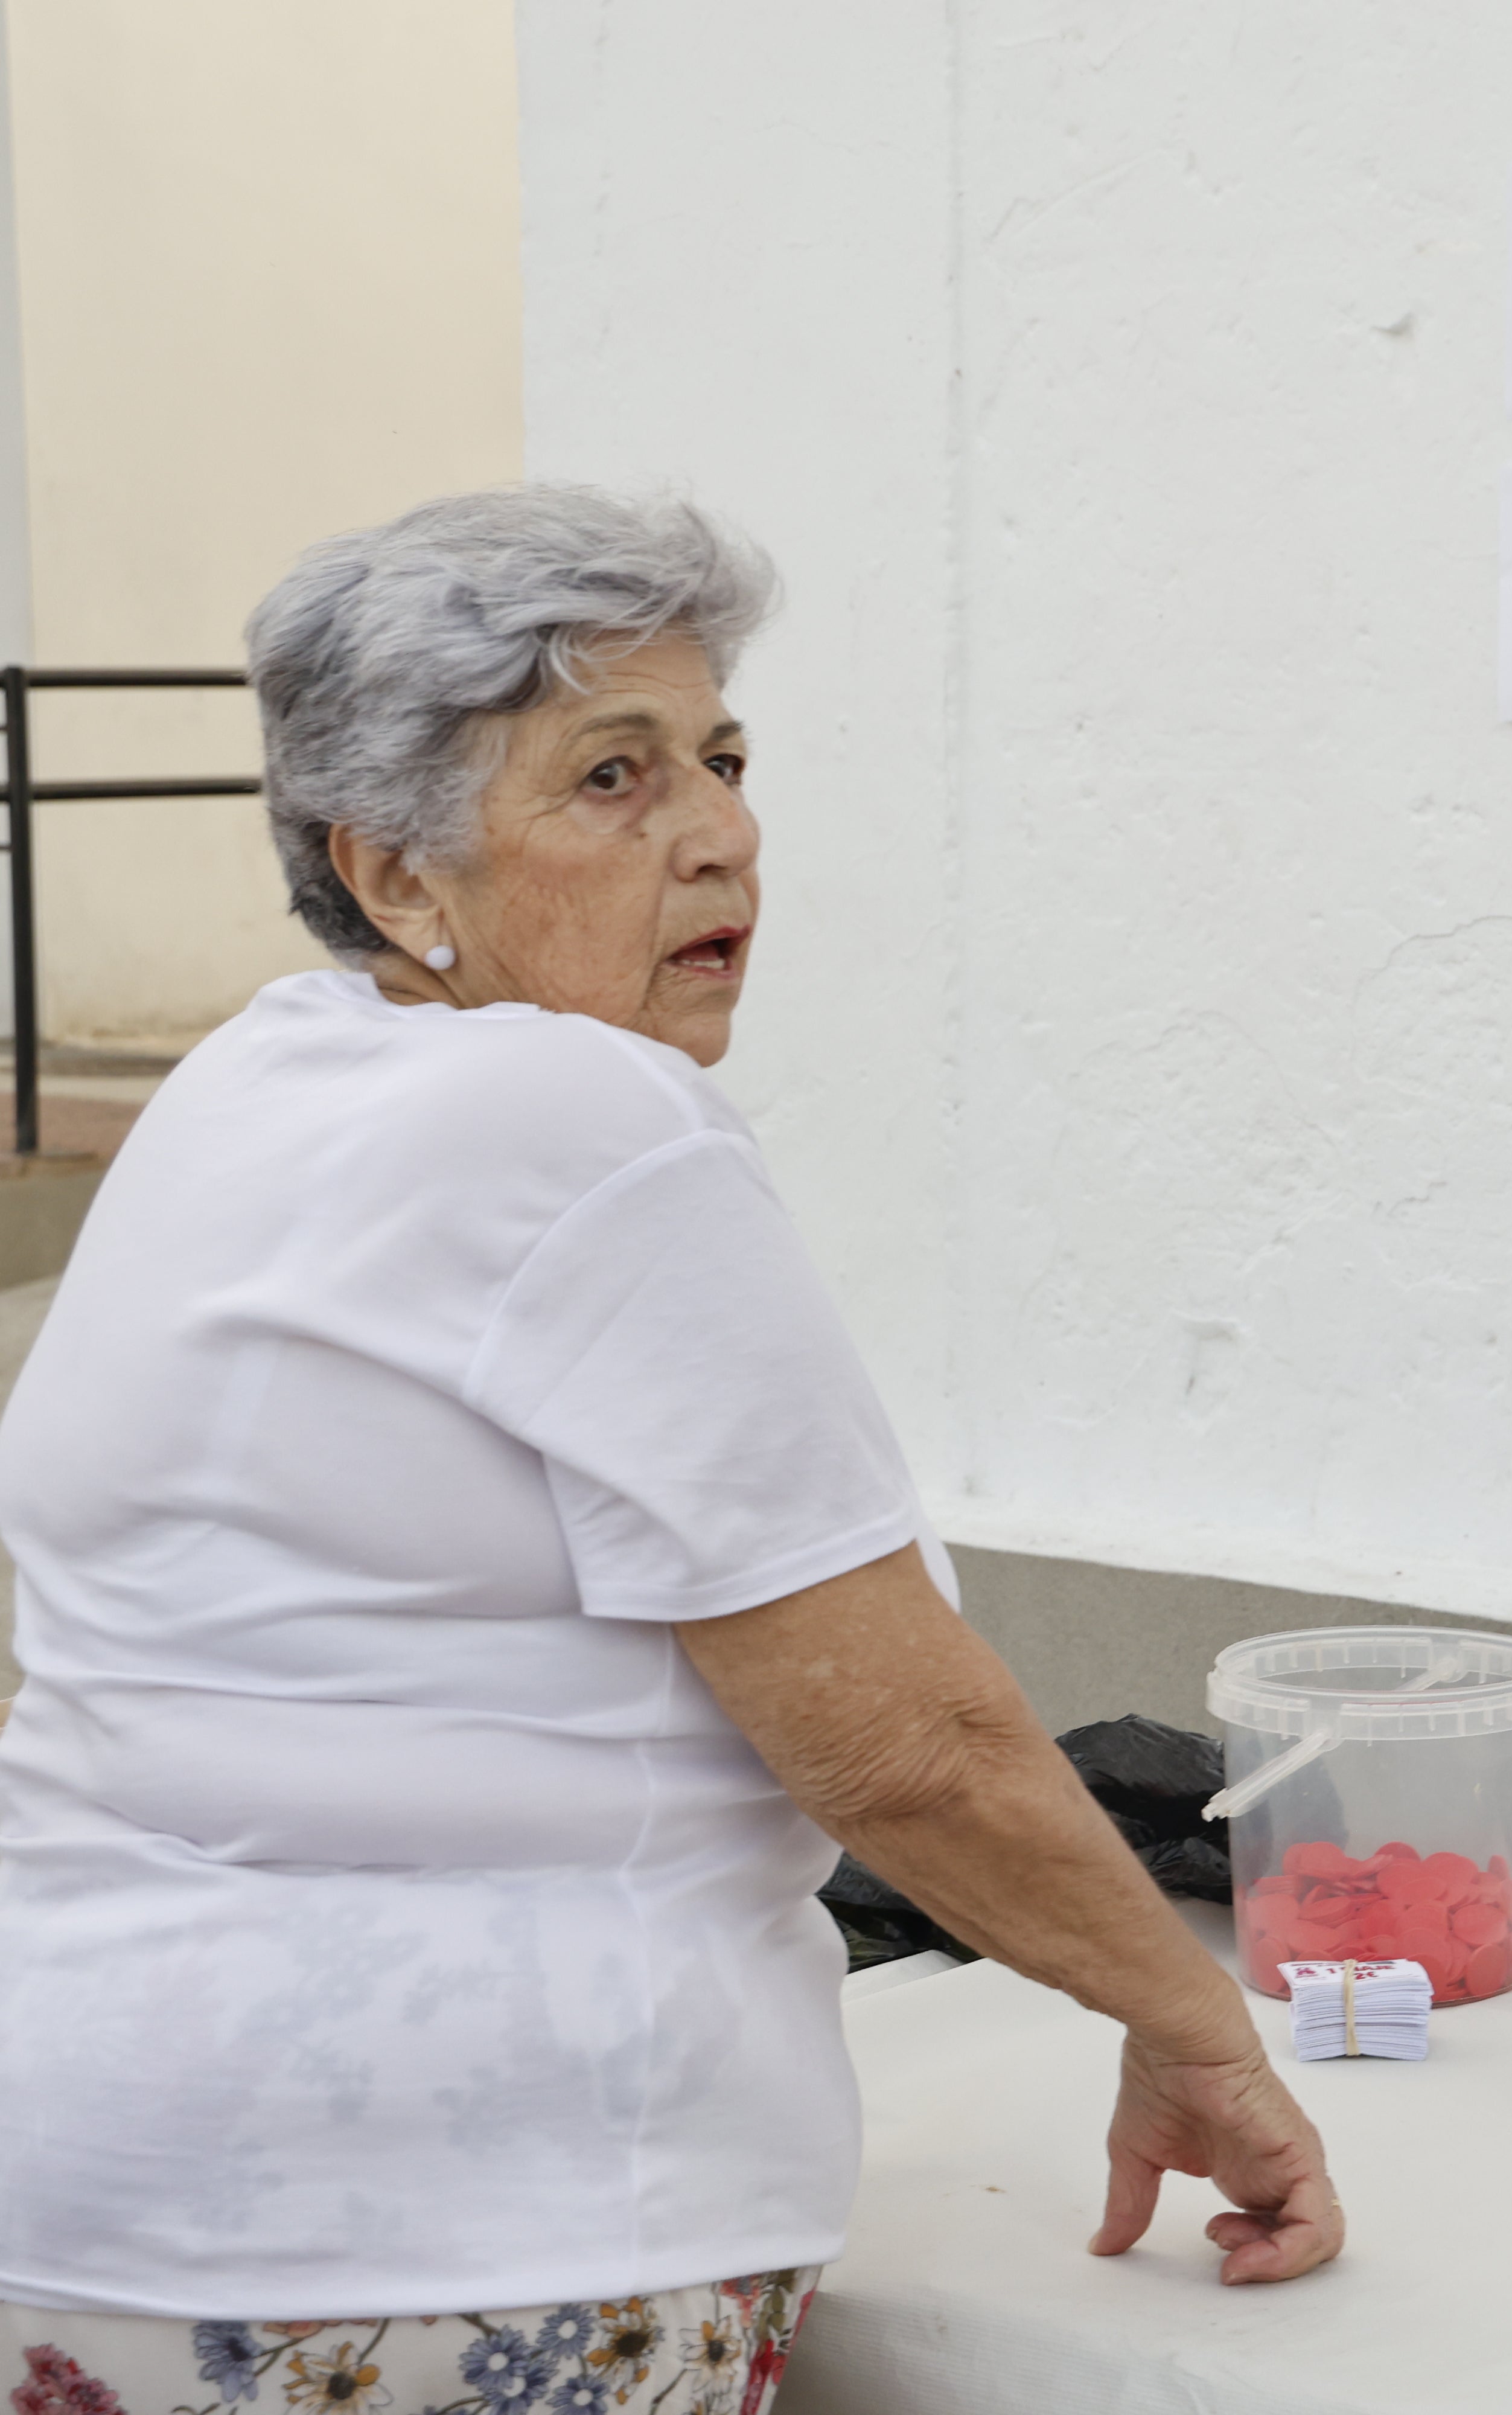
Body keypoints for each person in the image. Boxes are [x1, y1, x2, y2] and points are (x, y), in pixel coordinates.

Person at [0, 489, 1337, 2413]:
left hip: (103, 2196)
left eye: (720, 758)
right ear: (395, 876)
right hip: (453, 2235)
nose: (719, 833)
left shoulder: (258, 1080)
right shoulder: (586, 1120)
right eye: (611, 780)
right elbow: (907, 1746)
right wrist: (1191, 2025)